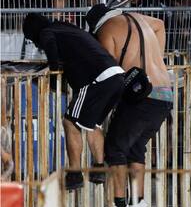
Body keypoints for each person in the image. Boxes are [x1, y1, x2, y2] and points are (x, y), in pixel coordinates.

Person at [83, 4, 172, 207]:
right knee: (135, 147)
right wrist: (156, 61)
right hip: (165, 93)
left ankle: (119, 205)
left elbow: (107, 71)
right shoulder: (137, 18)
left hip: (142, 96)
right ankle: (138, 202)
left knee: (114, 148)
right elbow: (161, 25)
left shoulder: (106, 31)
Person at [21, 13, 124, 191]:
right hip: (116, 75)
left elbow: (54, 59)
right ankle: (99, 169)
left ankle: (75, 174)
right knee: (93, 124)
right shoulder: (68, 28)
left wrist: (50, 80)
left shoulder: (47, 33)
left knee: (70, 122)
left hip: (96, 80)